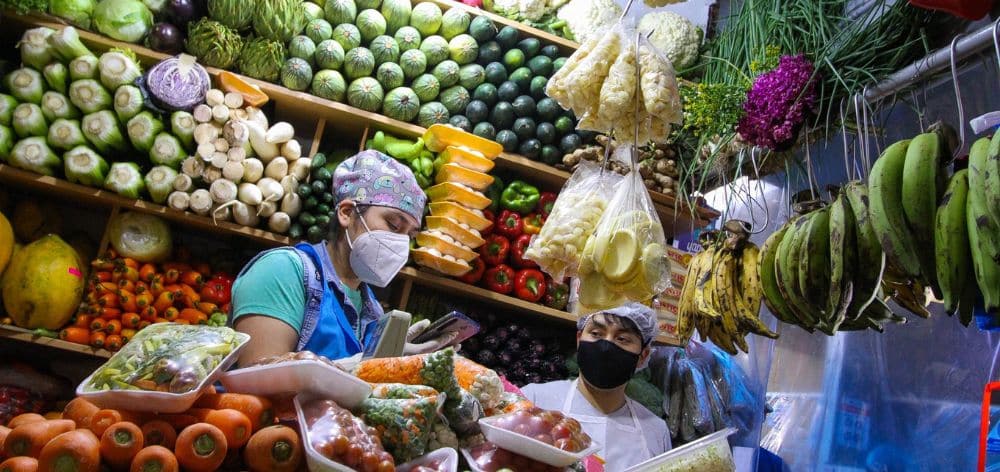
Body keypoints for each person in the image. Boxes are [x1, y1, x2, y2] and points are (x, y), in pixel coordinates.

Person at [230, 150, 457, 366]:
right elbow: (258, 384)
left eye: (410, 235)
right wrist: (358, 366)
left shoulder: (372, 310)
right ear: (347, 213)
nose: (400, 242)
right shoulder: (283, 271)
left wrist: (394, 360)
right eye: (393, 224)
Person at [521, 303, 671, 471]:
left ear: (643, 356)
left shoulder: (656, 431)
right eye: (596, 333)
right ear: (579, 340)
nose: (606, 347)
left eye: (622, 339)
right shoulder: (532, 400)